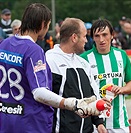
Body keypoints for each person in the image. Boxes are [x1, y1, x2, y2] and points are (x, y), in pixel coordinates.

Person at [0, 3, 110, 133]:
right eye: (48, 25)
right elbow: (39, 92)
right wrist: (72, 104)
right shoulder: (34, 50)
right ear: (42, 25)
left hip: (6, 119)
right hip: (30, 122)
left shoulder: (5, 44)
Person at [46, 17, 111, 133]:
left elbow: (92, 94)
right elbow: (43, 97)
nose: (86, 41)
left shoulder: (83, 63)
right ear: (74, 38)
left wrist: (99, 123)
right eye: (85, 36)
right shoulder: (49, 59)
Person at [80, 18, 131, 133]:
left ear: (112, 35)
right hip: (94, 124)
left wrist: (122, 89)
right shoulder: (84, 59)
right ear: (92, 37)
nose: (101, 40)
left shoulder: (122, 55)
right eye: (97, 36)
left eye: (105, 35)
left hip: (119, 123)